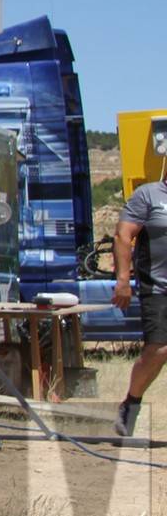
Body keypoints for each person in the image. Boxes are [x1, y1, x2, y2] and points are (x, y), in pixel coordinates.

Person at [112, 167, 167, 437]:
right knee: (159, 350)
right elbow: (123, 235)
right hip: (158, 287)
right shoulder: (149, 195)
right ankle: (131, 404)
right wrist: (123, 279)